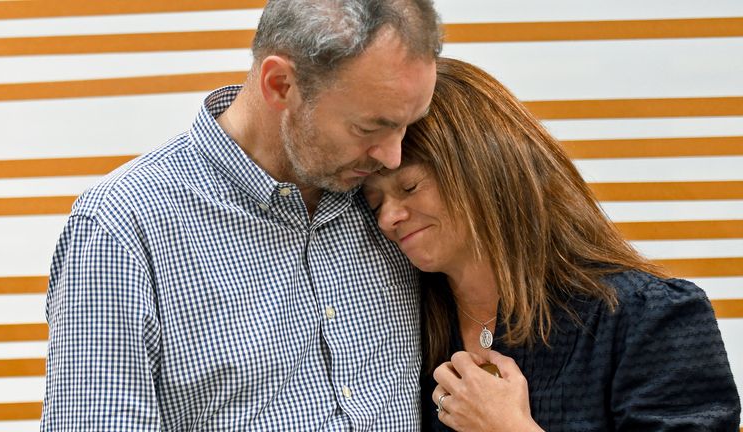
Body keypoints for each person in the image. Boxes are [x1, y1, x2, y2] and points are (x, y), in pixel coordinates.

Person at [41, 1, 441, 429]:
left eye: (407, 124)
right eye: (368, 128)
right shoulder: (122, 227)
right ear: (280, 83)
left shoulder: (393, 202)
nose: (392, 155)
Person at [363, 57, 741, 431]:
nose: (388, 218)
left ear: (484, 167)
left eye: (409, 187)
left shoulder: (650, 317)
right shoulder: (405, 328)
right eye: (375, 203)